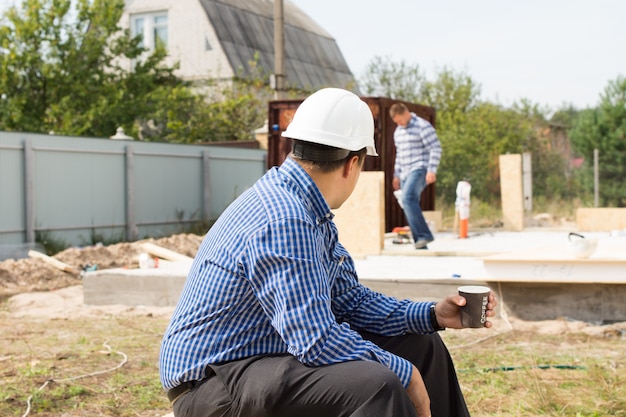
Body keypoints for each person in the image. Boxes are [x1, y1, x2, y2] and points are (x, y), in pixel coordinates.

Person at [159, 88, 498, 417]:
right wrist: (403, 373)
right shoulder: (285, 218)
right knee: (378, 383)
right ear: (353, 164)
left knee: (422, 346)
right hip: (211, 387)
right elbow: (315, 340)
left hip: (259, 364)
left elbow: (351, 302)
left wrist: (432, 315)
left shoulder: (306, 209)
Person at [390, 103, 443, 249]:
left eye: (400, 120)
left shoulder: (422, 126)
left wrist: (432, 170)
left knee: (408, 198)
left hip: (420, 168)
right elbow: (399, 155)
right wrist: (396, 175)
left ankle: (424, 235)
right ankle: (420, 242)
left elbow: (435, 148)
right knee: (407, 203)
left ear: (406, 113)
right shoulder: (398, 131)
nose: (399, 124)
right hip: (404, 172)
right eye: (396, 122)